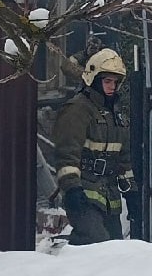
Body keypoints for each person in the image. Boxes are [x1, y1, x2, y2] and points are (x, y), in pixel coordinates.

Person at [53, 49, 141, 245]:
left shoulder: (116, 115)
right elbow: (66, 154)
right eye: (107, 81)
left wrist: (131, 193)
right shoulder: (77, 110)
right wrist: (72, 189)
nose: (112, 87)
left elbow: (123, 161)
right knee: (93, 242)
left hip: (109, 197)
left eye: (115, 82)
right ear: (93, 78)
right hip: (83, 194)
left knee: (114, 248)